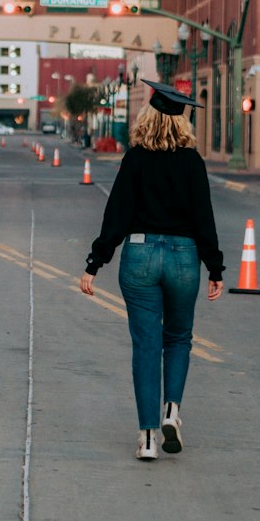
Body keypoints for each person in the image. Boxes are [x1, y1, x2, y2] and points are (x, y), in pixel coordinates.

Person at [80, 81, 224, 461]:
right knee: (178, 338)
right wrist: (215, 267)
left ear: (148, 118)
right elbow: (203, 217)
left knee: (146, 345)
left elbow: (117, 215)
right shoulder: (193, 162)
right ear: (182, 124)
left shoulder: (136, 158)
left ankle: (146, 439)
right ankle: (172, 411)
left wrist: (95, 262)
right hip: (183, 257)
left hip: (141, 253)